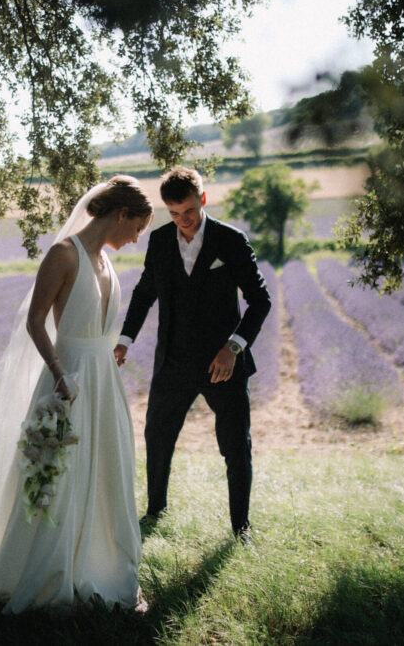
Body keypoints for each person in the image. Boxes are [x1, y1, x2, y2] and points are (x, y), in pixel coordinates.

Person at [0, 176, 153, 614]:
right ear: (121, 213)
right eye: (137, 227)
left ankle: (104, 565)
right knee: (57, 476)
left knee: (107, 473)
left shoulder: (106, 262)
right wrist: (60, 373)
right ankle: (47, 570)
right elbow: (35, 321)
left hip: (104, 382)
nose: (136, 237)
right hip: (68, 381)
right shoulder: (64, 255)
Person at [114, 166, 270, 541]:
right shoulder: (161, 240)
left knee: (236, 447)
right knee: (157, 438)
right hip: (173, 363)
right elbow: (144, 293)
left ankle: (241, 527)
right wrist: (125, 339)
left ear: (202, 200)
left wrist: (233, 348)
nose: (183, 221)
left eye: (188, 211)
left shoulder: (231, 240)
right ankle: (154, 513)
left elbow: (260, 300)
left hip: (223, 367)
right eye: (174, 214)